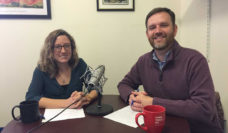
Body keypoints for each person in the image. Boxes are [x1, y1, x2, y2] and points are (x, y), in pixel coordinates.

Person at [117, 7, 223, 133]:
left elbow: (204, 108)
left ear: (175, 30)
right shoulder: (143, 61)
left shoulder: (195, 60)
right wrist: (131, 96)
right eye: (152, 28)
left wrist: (152, 102)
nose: (157, 31)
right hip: (162, 127)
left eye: (163, 25)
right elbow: (124, 84)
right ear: (147, 34)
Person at [26, 29, 98, 109]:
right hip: (51, 119)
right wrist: (67, 103)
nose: (63, 51)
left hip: (77, 116)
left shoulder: (79, 64)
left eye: (67, 46)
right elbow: (31, 98)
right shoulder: (42, 69)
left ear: (72, 48)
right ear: (50, 49)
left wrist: (88, 97)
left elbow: (95, 87)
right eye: (58, 47)